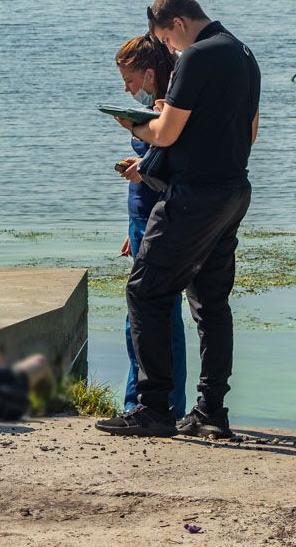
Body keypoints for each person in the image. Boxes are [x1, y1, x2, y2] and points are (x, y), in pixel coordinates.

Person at [96, 0, 260, 439]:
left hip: (193, 195)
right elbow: (251, 131)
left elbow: (165, 134)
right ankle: (211, 412)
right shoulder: (244, 54)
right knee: (210, 304)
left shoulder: (197, 56)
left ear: (179, 22)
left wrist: (132, 123)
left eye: (164, 37)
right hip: (233, 190)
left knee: (146, 291)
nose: (167, 47)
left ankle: (153, 408)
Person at [114, 35, 186, 418]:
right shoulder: (154, 113)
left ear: (148, 73)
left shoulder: (172, 109)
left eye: (129, 81)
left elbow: (173, 165)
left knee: (153, 314)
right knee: (141, 316)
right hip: (141, 217)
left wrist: (144, 172)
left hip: (161, 214)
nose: (127, 89)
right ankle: (141, 399)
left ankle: (155, 402)